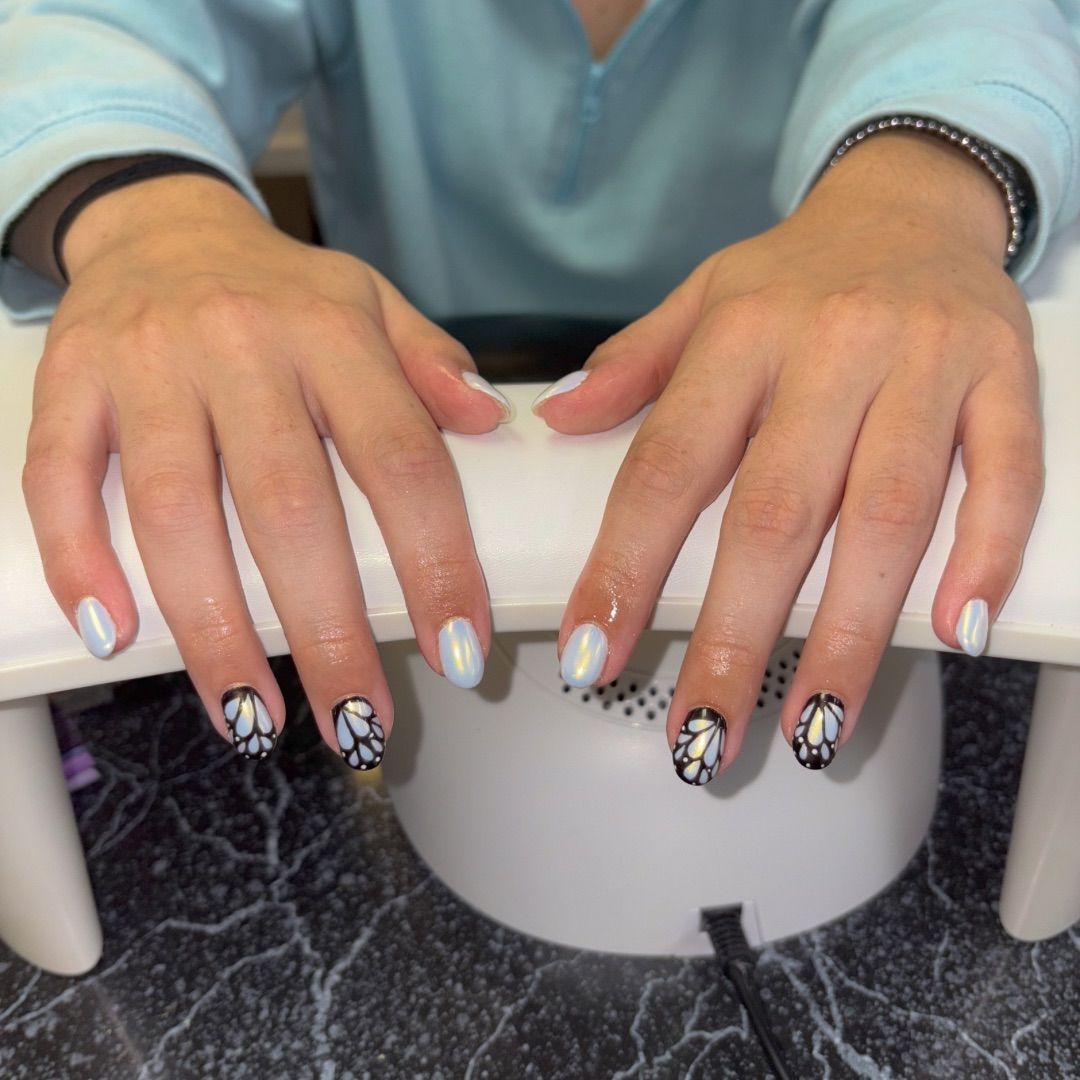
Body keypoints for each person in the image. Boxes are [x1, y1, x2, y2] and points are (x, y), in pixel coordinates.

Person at [2, 1, 1078, 782]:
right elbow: (77, 27)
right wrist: (148, 217)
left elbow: (991, 22)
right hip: (410, 443)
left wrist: (918, 197)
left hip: (831, 454)